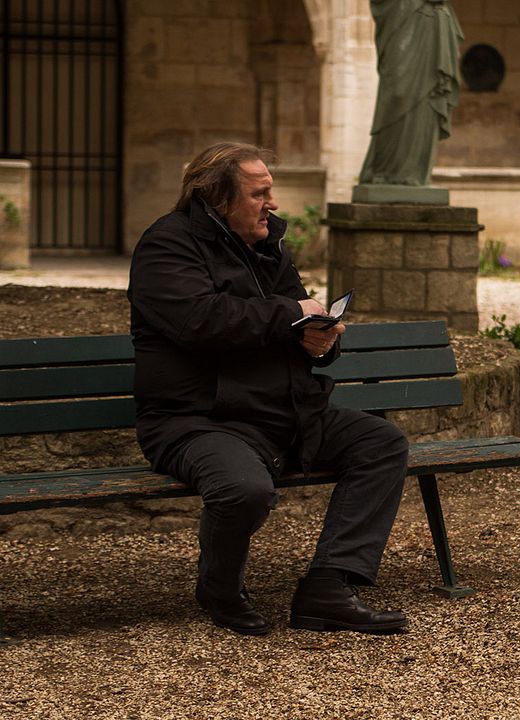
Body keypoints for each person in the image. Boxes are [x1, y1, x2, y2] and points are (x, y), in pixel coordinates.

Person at [128, 142, 410, 636]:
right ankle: (219, 588)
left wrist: (320, 343)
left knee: (381, 444)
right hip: (198, 419)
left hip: (283, 410)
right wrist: (292, 315)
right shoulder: (166, 246)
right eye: (260, 194)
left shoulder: (269, 246)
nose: (272, 204)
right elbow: (199, 321)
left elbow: (295, 318)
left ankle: (328, 587)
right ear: (218, 198)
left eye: (270, 193)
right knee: (244, 490)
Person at [358, 0, 462, 187]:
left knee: (428, 102)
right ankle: (385, 170)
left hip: (433, 26)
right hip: (404, 20)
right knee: (398, 94)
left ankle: (416, 173)